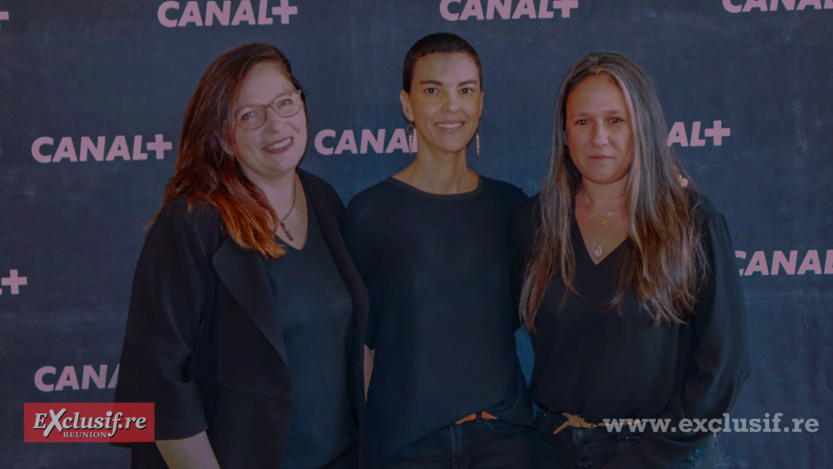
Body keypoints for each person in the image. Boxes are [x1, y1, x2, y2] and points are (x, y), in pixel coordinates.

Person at [114, 42, 367, 469]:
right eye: (249, 115)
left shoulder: (324, 200)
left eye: (285, 102)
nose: (276, 125)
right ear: (222, 135)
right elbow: (155, 380)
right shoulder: (192, 222)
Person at [515, 51, 751, 468]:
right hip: (552, 451)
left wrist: (648, 457)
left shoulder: (691, 222)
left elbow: (723, 368)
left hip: (661, 456)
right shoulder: (535, 223)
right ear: (564, 134)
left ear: (642, 127)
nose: (598, 137)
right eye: (582, 121)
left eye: (616, 120)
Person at [344, 33, 534, 469]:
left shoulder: (513, 208)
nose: (452, 106)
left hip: (505, 442)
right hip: (407, 447)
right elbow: (362, 349)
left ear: (481, 102)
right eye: (433, 90)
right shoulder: (369, 212)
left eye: (465, 90)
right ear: (407, 104)